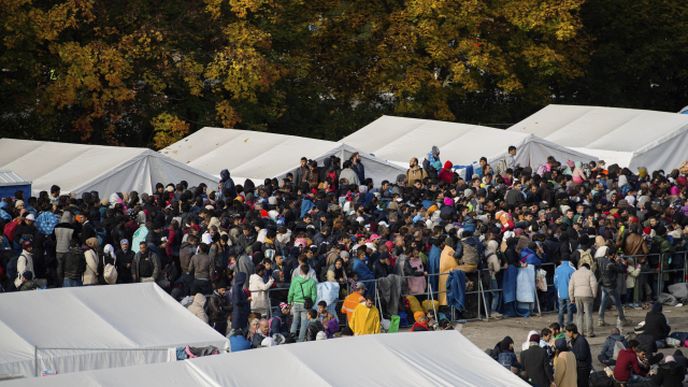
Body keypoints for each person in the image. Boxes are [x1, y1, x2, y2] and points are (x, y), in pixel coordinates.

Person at [598, 252, 632, 328]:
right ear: (612, 255)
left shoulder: (602, 261)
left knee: (603, 303)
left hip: (604, 285)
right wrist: (621, 263)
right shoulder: (610, 264)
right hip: (611, 286)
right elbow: (621, 270)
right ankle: (622, 319)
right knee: (618, 303)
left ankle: (600, 319)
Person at [287, 264, 317, 342]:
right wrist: (311, 304)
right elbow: (314, 295)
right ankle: (300, 340)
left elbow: (291, 292)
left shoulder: (295, 280)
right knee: (304, 323)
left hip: (296, 303)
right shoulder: (312, 282)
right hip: (306, 305)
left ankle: (292, 338)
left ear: (300, 271)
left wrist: (289, 302)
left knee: (295, 321)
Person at [568, 263, 597, 337]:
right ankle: (589, 333)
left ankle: (580, 332)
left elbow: (570, 286)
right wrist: (594, 295)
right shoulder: (590, 273)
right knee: (588, 314)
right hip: (588, 295)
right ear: (588, 267)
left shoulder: (575, 273)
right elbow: (594, 285)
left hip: (577, 295)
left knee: (579, 314)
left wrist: (572, 298)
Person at [554, 256, 576, 328]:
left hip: (560, 292)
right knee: (570, 309)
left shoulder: (558, 268)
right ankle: (569, 326)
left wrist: (558, 288)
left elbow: (555, 281)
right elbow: (574, 282)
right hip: (570, 293)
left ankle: (560, 325)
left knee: (561, 309)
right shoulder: (572, 269)